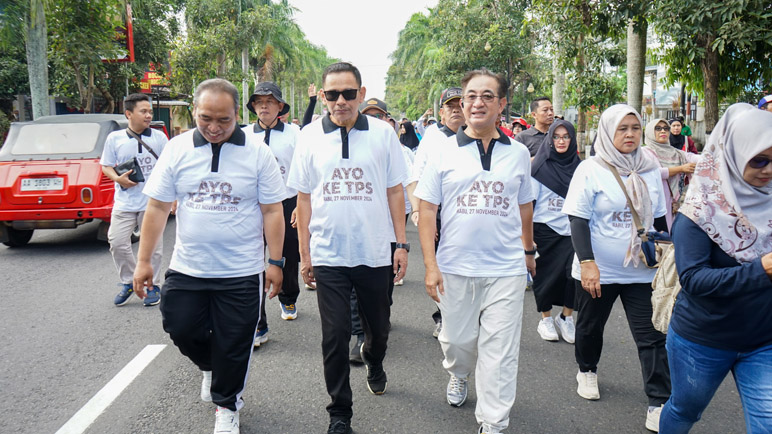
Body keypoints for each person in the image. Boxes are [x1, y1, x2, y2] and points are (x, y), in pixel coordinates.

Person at [132, 78, 286, 434]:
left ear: (237, 115)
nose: (214, 128)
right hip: (188, 267)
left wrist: (275, 263)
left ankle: (227, 405)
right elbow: (156, 207)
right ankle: (209, 366)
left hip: (241, 272)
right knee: (180, 327)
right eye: (205, 119)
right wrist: (144, 262)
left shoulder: (258, 152)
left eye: (223, 120)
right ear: (194, 113)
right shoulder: (177, 148)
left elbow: (273, 211)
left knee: (235, 344)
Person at [287, 62, 409, 434]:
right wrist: (305, 255)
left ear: (360, 92)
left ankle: (374, 358)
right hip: (329, 255)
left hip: (374, 252)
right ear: (322, 97)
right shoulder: (308, 136)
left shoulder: (384, 135)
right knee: (334, 336)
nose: (341, 101)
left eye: (348, 93)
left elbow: (394, 191)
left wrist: (401, 244)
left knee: (379, 328)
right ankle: (340, 413)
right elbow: (303, 200)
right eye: (332, 94)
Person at [415, 68, 535, 434]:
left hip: (506, 270)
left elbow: (525, 205)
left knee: (501, 351)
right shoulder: (441, 151)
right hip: (454, 267)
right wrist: (430, 265)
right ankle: (459, 373)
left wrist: (527, 251)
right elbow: (427, 210)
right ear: (462, 104)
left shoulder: (518, 154)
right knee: (457, 342)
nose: (477, 102)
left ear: (501, 105)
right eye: (470, 96)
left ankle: (493, 422)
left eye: (486, 96)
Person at [659, 104, 772, 433]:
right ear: (734, 157)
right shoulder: (700, 211)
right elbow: (694, 280)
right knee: (684, 411)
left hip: (763, 339)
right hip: (703, 340)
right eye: (759, 161)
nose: (768, 171)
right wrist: (759, 270)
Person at [563, 104, 671, 432]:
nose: (629, 135)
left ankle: (658, 400)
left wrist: (666, 255)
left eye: (635, 128)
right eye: (622, 129)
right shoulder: (591, 168)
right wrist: (588, 263)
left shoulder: (650, 166)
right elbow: (578, 219)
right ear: (609, 132)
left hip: (642, 269)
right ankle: (587, 370)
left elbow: (662, 218)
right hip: (600, 269)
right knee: (590, 327)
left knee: (652, 336)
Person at [242, 81, 300, 348]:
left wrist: (301, 203)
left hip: (287, 204)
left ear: (280, 106)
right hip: (253, 207)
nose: (264, 106)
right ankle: (257, 322)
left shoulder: (295, 134)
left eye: (269, 101)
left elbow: (304, 172)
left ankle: (288, 297)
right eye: (259, 102)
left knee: (286, 257)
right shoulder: (243, 136)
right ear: (253, 106)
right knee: (253, 262)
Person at [407, 86, 465, 338]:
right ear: (441, 112)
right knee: (440, 266)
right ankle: (442, 316)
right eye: (450, 107)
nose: (455, 110)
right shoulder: (432, 136)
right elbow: (416, 175)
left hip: (467, 211)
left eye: (459, 105)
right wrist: (417, 209)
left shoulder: (477, 136)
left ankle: (466, 316)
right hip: (438, 211)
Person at [100, 93, 168, 307]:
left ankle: (152, 285)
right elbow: (106, 165)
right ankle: (130, 281)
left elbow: (169, 168)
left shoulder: (159, 138)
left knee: (154, 247)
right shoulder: (115, 139)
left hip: (152, 204)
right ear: (129, 113)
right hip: (124, 202)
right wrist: (117, 178)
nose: (149, 115)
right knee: (117, 242)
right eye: (143, 111)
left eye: (150, 111)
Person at [530, 119, 580, 343]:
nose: (561, 141)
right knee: (545, 277)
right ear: (550, 139)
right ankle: (546, 318)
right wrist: (527, 237)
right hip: (545, 229)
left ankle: (567, 317)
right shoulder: (539, 167)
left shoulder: (580, 167)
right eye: (557, 137)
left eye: (566, 137)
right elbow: (528, 203)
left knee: (573, 276)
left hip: (572, 229)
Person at [641, 118, 699, 231]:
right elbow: (656, 172)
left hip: (670, 201)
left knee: (669, 234)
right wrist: (681, 168)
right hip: (653, 202)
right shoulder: (645, 152)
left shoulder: (675, 152)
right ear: (650, 132)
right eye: (658, 128)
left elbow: (692, 157)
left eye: (666, 128)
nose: (663, 131)